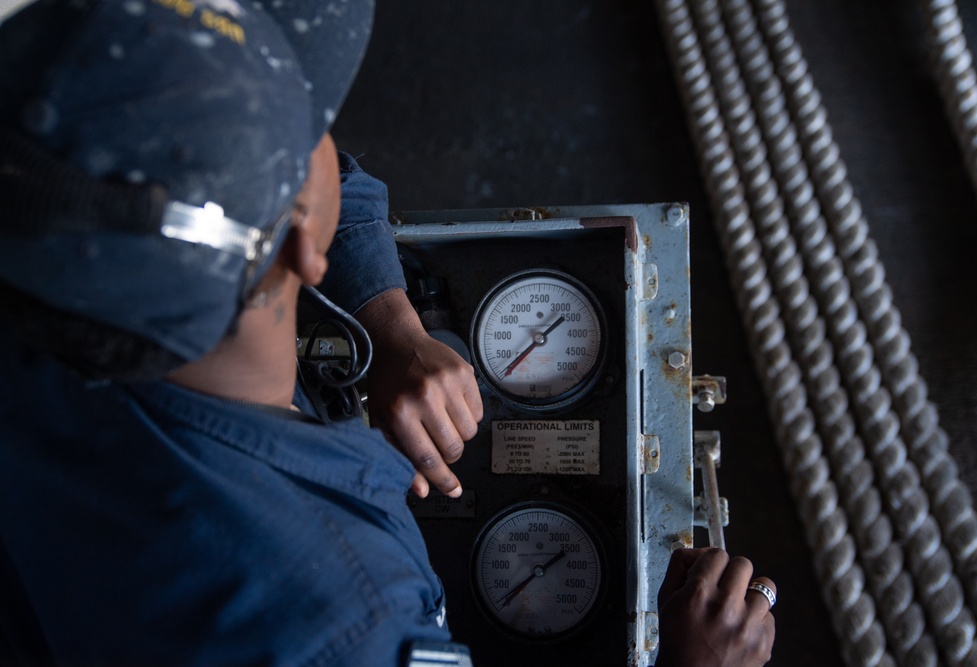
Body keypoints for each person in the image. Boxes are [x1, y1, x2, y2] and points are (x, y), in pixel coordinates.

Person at [0, 0, 775, 665]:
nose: (333, 145)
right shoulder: (345, 620)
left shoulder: (46, 243)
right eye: (312, 131)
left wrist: (393, 323)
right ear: (304, 245)